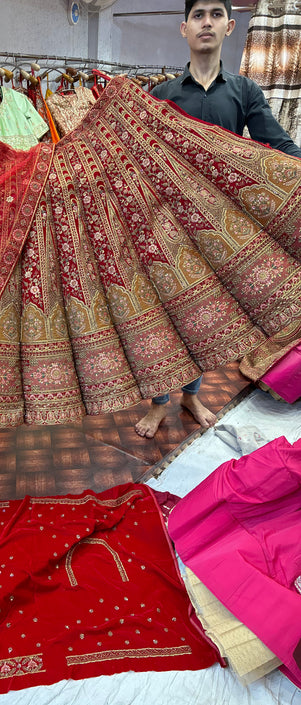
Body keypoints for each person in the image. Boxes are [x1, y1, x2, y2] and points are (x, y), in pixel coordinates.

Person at [134, 0, 301, 438]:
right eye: (197, 15)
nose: (205, 22)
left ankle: (191, 394)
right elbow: (138, 161)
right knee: (163, 319)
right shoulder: (161, 95)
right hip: (167, 226)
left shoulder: (244, 92)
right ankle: (159, 402)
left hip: (219, 232)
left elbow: (277, 144)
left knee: (203, 320)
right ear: (183, 28)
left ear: (229, 26)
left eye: (214, 14)